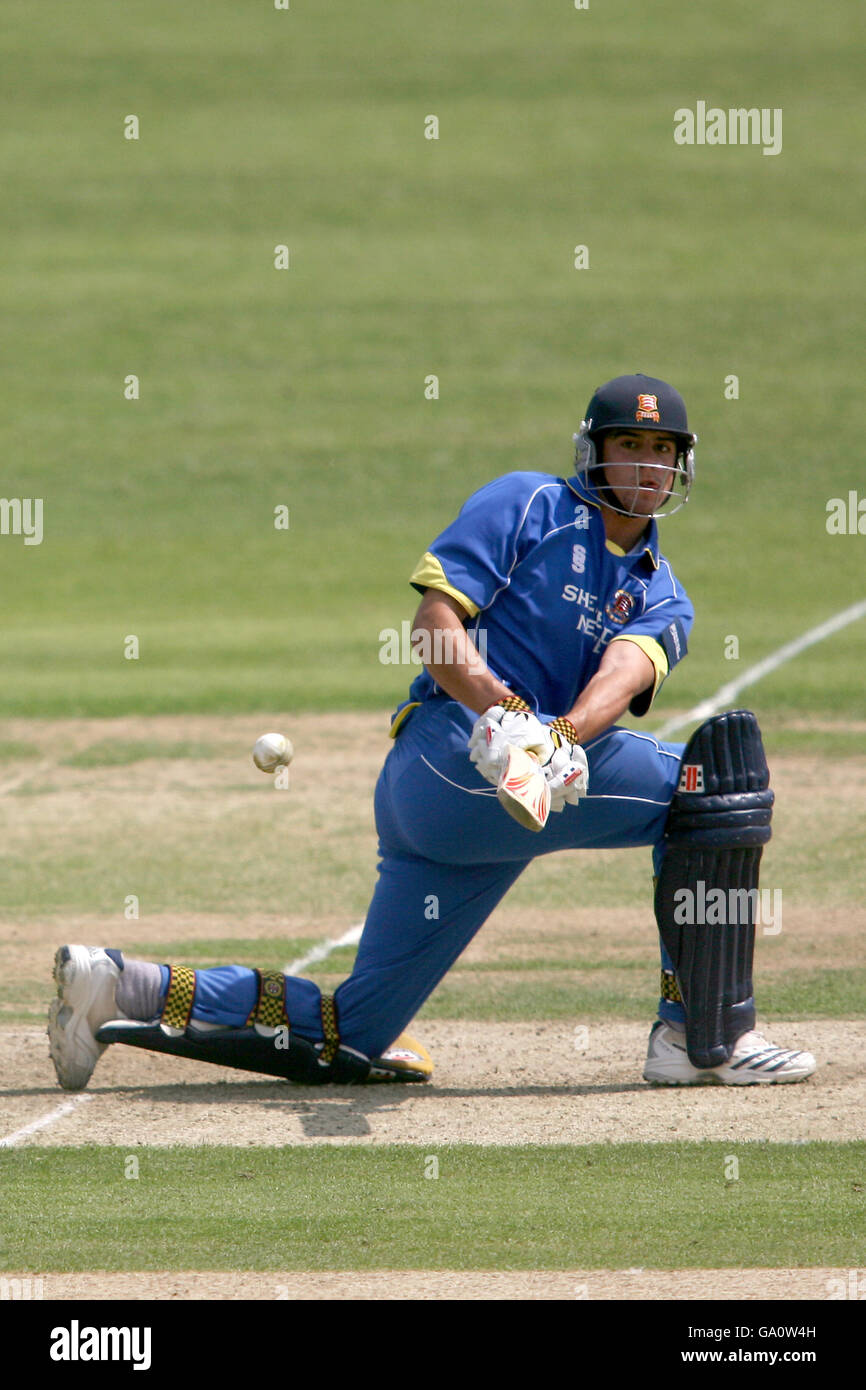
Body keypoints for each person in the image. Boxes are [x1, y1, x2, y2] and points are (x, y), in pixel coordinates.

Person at [48, 374, 815, 1092]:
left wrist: (559, 738)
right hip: (450, 766)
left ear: (681, 467)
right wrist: (504, 713)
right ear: (593, 453)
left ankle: (116, 982)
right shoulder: (527, 505)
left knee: (352, 1033)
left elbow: (621, 674)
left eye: (661, 452)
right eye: (630, 446)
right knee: (714, 785)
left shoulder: (664, 595)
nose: (646, 466)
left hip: (503, 807)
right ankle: (704, 1038)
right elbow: (435, 628)